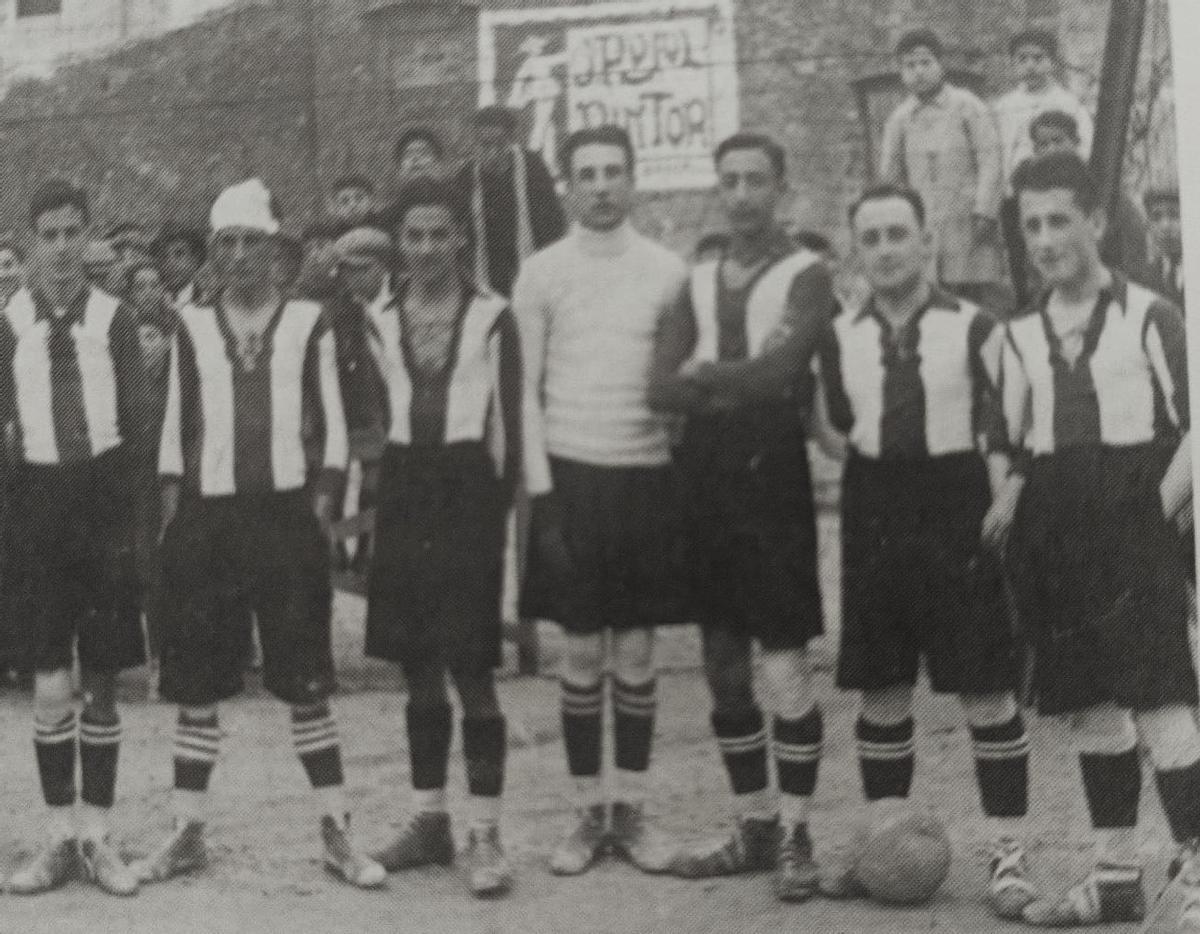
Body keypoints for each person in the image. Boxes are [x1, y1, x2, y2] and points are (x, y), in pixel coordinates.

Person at [134, 178, 384, 890]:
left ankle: (336, 830)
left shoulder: (309, 323)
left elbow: (332, 426)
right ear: (213, 254)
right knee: (198, 684)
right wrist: (173, 517)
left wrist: (325, 508)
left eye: (252, 243)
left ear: (277, 251)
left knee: (305, 681)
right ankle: (186, 831)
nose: (239, 256)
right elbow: (175, 433)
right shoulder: (190, 326)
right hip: (209, 523)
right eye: (226, 245)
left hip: (283, 520)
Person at [814, 183, 1034, 919]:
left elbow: (1007, 421)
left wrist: (1004, 496)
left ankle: (1009, 851)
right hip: (875, 504)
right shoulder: (839, 333)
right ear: (856, 250)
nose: (883, 250)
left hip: (955, 503)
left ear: (925, 241)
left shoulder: (976, 326)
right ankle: (886, 845)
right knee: (881, 689)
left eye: (896, 234)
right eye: (869, 237)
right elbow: (836, 424)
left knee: (985, 686)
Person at [992, 151, 1200, 928]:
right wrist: (1012, 489)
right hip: (1059, 536)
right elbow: (1016, 442)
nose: (1045, 239)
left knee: (1161, 701)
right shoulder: (1018, 334)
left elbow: (1195, 425)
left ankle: (1197, 869)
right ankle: (1115, 878)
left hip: (1133, 528)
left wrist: (1154, 510)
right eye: (1031, 225)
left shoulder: (1152, 315)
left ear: (1098, 224)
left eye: (1059, 220)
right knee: (1093, 710)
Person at [649, 133, 834, 901]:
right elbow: (659, 388)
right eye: (729, 180)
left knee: (784, 660)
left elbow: (780, 374)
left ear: (781, 187)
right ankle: (752, 824)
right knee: (722, 660)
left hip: (773, 475)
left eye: (756, 179)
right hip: (706, 479)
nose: (742, 193)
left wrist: (711, 378)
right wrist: (724, 384)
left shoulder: (807, 273)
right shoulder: (694, 280)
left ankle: (796, 831)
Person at [515, 125, 687, 876]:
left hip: (645, 477)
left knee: (640, 654)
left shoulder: (669, 270)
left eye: (615, 171)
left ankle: (635, 812)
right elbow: (521, 391)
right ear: (568, 186)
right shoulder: (541, 272)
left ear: (634, 180)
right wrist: (544, 501)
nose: (602, 186)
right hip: (571, 477)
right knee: (580, 653)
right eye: (587, 173)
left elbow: (682, 383)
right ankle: (588, 812)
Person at [364, 179, 528, 898]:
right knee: (417, 665)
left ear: (461, 236)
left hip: (468, 491)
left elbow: (510, 429)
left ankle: (486, 834)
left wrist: (504, 516)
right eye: (414, 236)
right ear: (399, 243)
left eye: (439, 234)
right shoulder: (378, 315)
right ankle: (430, 821)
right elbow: (378, 408)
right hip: (405, 490)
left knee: (472, 668)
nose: (426, 248)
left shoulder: (495, 315)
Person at [0, 180, 149, 896]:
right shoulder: (9, 323)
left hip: (105, 502)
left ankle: (98, 834)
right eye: (48, 234)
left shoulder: (116, 319)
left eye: (71, 233)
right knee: (50, 681)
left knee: (102, 681)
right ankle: (58, 835)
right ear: (31, 242)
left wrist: (138, 527)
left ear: (88, 238)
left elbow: (139, 429)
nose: (61, 247)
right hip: (38, 506)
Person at [880, 29, 1006, 308]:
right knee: (932, 297)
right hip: (924, 219)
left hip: (967, 216)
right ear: (901, 71)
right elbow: (890, 175)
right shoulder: (900, 119)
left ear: (940, 64)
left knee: (975, 295)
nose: (918, 72)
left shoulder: (966, 105)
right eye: (909, 66)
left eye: (925, 63)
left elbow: (990, 159)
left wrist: (985, 209)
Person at [1023, 110, 1155, 292]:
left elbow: (1133, 249)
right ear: (1035, 152)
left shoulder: (1103, 187)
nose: (1051, 149)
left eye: (1058, 141)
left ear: (1076, 142)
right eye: (1043, 145)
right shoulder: (1034, 197)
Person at [325, 227, 391, 572]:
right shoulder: (339, 310)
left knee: (376, 483)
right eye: (346, 270)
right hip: (354, 407)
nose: (352, 278)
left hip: (394, 406)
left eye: (362, 269)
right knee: (333, 478)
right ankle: (334, 545)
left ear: (382, 267)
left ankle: (369, 548)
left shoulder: (401, 305)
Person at [457, 105, 566, 297]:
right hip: (487, 276)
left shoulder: (533, 167)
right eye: (484, 145)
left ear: (511, 140)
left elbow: (554, 224)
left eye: (499, 145)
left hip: (533, 269)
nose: (492, 153)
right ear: (475, 143)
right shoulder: (466, 177)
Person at [1145, 186, 1185, 309]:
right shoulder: (1146, 276)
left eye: (1174, 215)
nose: (1165, 226)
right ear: (1149, 225)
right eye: (1156, 217)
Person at [151, 221, 207, 307]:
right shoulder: (152, 301)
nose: (170, 263)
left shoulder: (208, 300)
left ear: (195, 259)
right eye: (163, 256)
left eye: (179, 254)